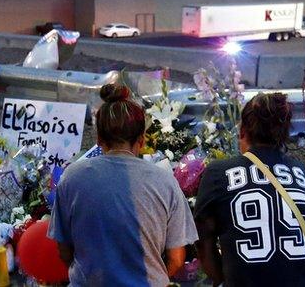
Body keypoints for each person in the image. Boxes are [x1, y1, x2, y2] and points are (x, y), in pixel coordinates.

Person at [48, 84, 198, 286]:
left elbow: (64, 250)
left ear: (100, 138)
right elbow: (177, 260)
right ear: (142, 140)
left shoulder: (72, 177)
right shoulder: (165, 182)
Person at [194, 92, 305, 286]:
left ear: (242, 131)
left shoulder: (217, 172)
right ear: (283, 134)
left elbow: (203, 243)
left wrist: (223, 280)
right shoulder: (300, 171)